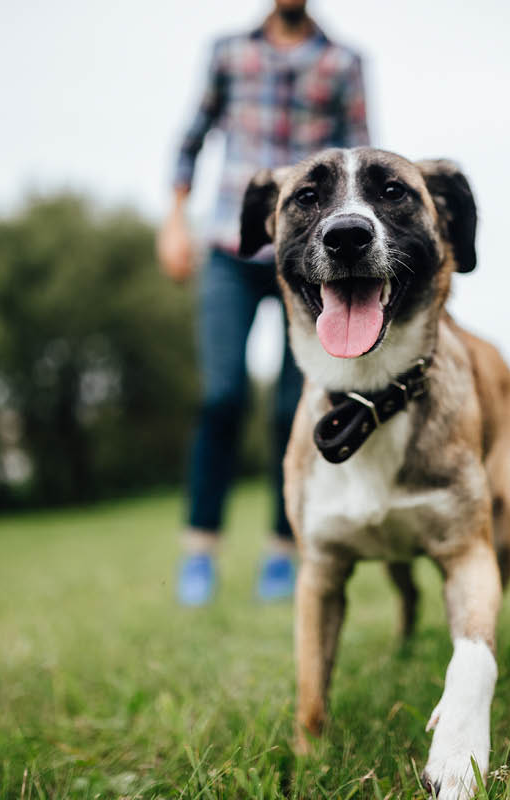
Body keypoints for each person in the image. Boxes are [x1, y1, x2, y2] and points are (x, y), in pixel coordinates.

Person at [158, 0, 370, 605]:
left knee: (292, 407)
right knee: (219, 396)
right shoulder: (229, 52)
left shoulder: (343, 62)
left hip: (310, 256)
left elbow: (361, 155)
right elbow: (191, 140)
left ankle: (283, 551)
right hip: (230, 244)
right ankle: (200, 551)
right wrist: (175, 221)